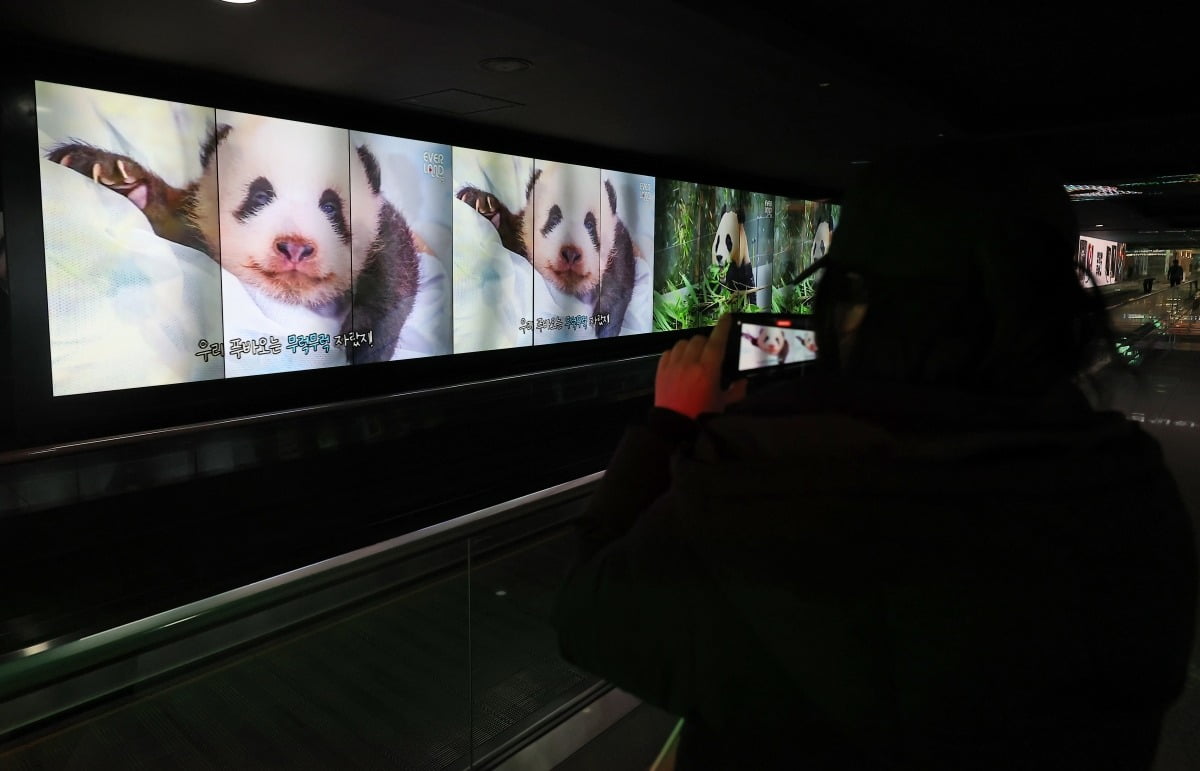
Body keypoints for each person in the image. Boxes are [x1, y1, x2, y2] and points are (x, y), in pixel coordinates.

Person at [551, 141, 1197, 770]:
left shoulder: (755, 489)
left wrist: (671, 426)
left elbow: (587, 611)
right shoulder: (1134, 500)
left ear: (861, 303)